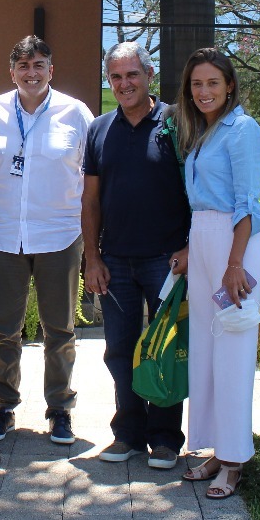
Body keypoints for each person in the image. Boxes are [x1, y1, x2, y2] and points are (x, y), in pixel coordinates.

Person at [0, 36, 93, 445]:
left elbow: (86, 174)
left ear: (51, 70)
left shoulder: (75, 113)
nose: (31, 72)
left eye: (39, 64)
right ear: (12, 73)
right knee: (3, 330)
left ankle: (59, 408)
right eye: (23, 66)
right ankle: (3, 406)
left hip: (60, 236)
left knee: (59, 330)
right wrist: (6, 209)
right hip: (5, 235)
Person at [82, 41, 191, 469]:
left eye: (132, 75)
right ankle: (127, 433)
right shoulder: (99, 129)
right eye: (116, 77)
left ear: (149, 75)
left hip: (166, 260)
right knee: (120, 349)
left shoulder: (176, 122)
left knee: (164, 348)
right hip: (116, 263)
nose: (124, 84)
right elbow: (90, 200)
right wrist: (92, 257)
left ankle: (165, 438)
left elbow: (197, 190)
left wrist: (188, 247)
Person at [175, 47, 260, 500]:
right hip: (205, 242)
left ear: (229, 84)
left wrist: (234, 265)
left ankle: (234, 463)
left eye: (213, 83)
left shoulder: (243, 131)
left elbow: (246, 203)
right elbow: (203, 205)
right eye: (197, 84)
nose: (204, 91)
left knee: (232, 356)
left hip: (238, 247)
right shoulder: (203, 132)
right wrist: (192, 250)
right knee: (207, 355)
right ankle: (216, 450)